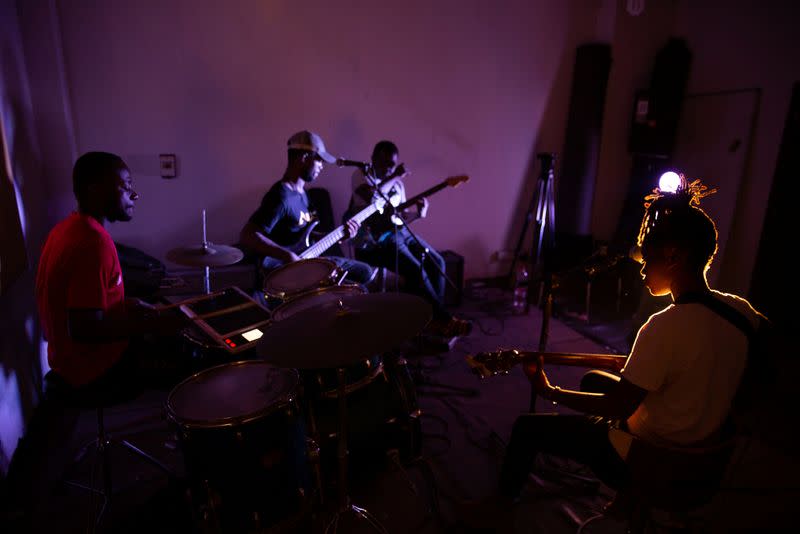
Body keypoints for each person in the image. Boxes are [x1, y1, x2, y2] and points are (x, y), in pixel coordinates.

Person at [462, 178, 766, 529]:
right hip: (706, 454)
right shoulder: (741, 311)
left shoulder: (664, 326)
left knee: (527, 428)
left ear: (674, 256)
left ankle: (502, 505)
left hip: (654, 458)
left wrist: (549, 392)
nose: (641, 268)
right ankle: (628, 504)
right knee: (594, 379)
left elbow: (617, 408)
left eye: (648, 258)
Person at [3, 152, 186, 530]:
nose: (133, 194)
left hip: (70, 362)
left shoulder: (68, 229)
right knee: (192, 360)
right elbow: (85, 327)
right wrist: (151, 326)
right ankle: (188, 476)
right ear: (95, 189)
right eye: (125, 186)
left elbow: (91, 301)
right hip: (96, 369)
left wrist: (126, 304)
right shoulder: (93, 244)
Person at [346, 140, 471, 337]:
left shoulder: (398, 185)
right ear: (372, 159)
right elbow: (372, 198)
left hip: (398, 233)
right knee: (416, 270)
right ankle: (443, 319)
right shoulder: (361, 175)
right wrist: (395, 176)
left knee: (436, 261)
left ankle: (434, 319)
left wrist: (418, 215)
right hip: (375, 241)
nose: (389, 169)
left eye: (392, 165)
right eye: (384, 163)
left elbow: (399, 218)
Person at [239, 130, 377, 289]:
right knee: (359, 288)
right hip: (288, 271)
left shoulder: (303, 194)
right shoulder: (281, 197)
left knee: (365, 272)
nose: (322, 167)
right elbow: (247, 235)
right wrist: (287, 256)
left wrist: (340, 236)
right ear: (304, 158)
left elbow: (307, 235)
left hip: (309, 259)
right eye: (319, 160)